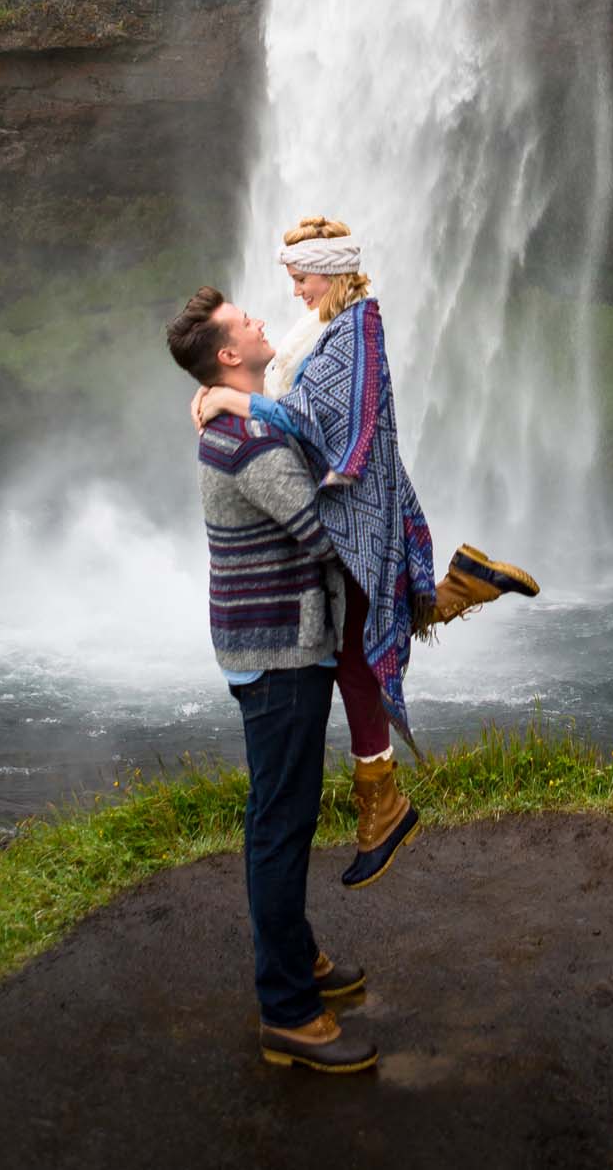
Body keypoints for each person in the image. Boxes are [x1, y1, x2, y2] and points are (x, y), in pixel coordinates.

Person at [192, 216, 539, 887]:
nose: (293, 290)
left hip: (356, 511)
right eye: (290, 279)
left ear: (336, 271)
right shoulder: (323, 328)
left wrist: (240, 401)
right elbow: (297, 402)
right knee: (365, 636)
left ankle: (383, 808)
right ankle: (465, 585)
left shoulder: (357, 330)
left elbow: (326, 424)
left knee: (355, 655)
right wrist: (232, 399)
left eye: (301, 278)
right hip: (350, 506)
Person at [165, 285, 378, 1074]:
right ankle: (287, 1011)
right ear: (226, 354)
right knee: (280, 825)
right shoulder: (245, 440)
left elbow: (296, 404)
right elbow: (322, 533)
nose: (262, 322)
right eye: (245, 323)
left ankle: (301, 960)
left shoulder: (247, 415)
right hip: (280, 652)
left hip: (277, 642)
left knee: (279, 813)